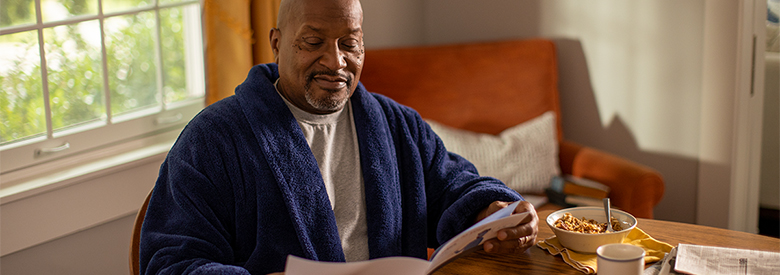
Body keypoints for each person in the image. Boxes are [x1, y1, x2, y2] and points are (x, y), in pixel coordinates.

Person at [139, 0, 538, 274]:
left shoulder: (396, 124)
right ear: (277, 43)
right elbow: (171, 261)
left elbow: (456, 186)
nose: (336, 61)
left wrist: (494, 210)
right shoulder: (214, 139)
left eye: (350, 43)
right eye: (313, 43)